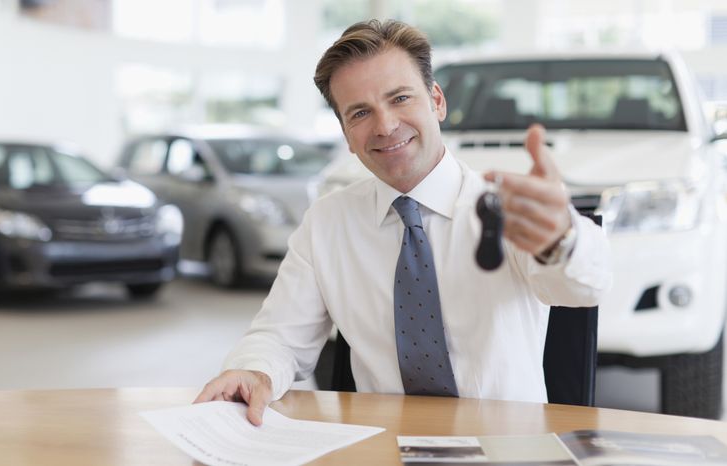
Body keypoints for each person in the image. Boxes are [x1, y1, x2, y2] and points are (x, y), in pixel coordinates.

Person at [195, 19, 612, 426]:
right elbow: (280, 337)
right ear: (345, 133)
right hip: (381, 446)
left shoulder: (504, 205)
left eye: (400, 99)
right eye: (360, 113)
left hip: (504, 447)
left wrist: (562, 238)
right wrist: (255, 371)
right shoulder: (327, 222)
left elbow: (585, 286)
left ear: (437, 101)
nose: (386, 126)